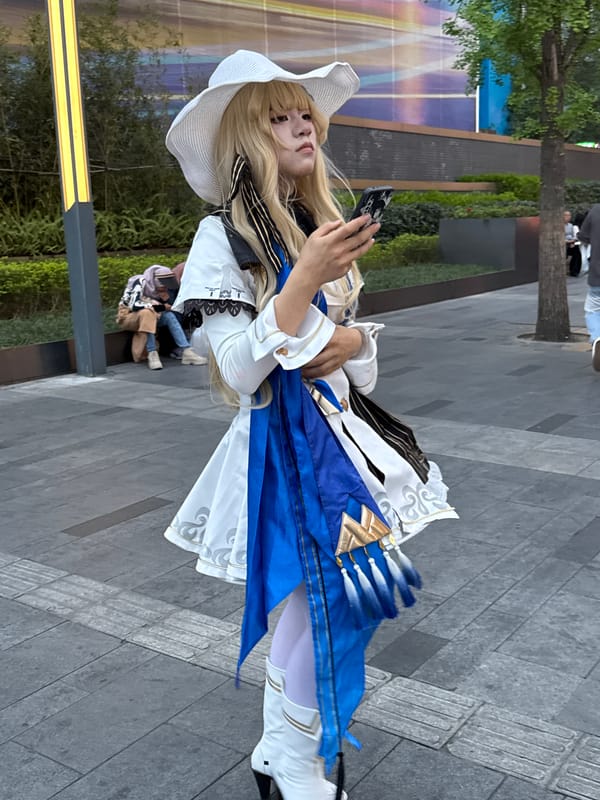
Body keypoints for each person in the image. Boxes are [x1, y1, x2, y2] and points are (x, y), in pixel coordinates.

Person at [163, 50, 458, 799]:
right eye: (280, 117)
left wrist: (354, 341)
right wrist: (301, 283)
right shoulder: (219, 239)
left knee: (339, 597)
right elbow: (236, 370)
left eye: (307, 115)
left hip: (342, 444)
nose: (303, 128)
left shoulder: (316, 223)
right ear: (245, 138)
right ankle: (292, 759)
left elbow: (354, 363)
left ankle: (283, 750)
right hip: (277, 455)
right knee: (316, 598)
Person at [116, 264, 207, 369]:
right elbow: (134, 305)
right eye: (163, 285)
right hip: (128, 316)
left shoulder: (160, 291)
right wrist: (161, 307)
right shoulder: (140, 282)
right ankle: (152, 353)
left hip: (151, 316)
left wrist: (165, 299)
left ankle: (187, 351)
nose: (165, 288)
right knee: (147, 313)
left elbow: (168, 308)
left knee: (169, 316)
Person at [575, 204, 600, 371]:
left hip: (598, 276)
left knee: (593, 309)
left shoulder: (596, 210)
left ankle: (597, 338)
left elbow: (583, 236)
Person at [565, 210, 582, 277]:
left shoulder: (571, 225)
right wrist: (567, 242)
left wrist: (573, 241)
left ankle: (575, 270)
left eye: (569, 215)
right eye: (566, 215)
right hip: (564, 243)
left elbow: (574, 235)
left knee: (577, 251)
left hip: (571, 242)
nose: (568, 217)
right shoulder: (560, 226)